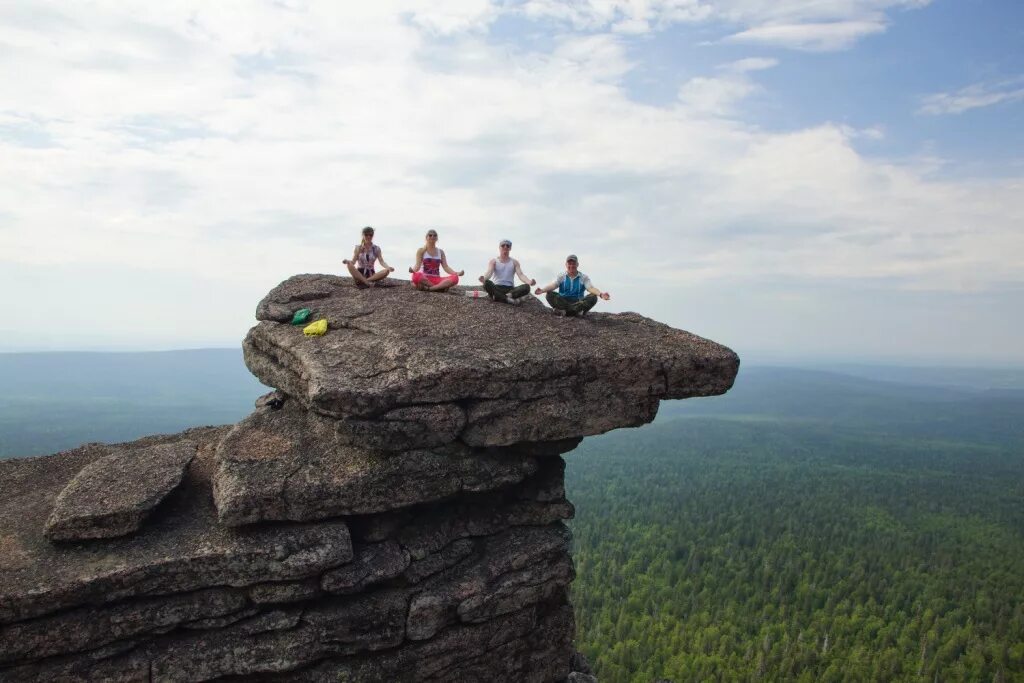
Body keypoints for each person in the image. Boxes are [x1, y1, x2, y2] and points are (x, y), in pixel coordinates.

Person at [534, 254, 610, 316]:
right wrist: (542, 290)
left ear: (577, 264)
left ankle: (568, 311)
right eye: (569, 264)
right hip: (563, 302)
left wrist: (601, 294)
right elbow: (554, 285)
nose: (571, 266)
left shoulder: (583, 277)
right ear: (566, 265)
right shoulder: (562, 276)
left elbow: (590, 288)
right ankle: (573, 312)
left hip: (578, 303)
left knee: (593, 296)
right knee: (549, 294)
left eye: (573, 264)